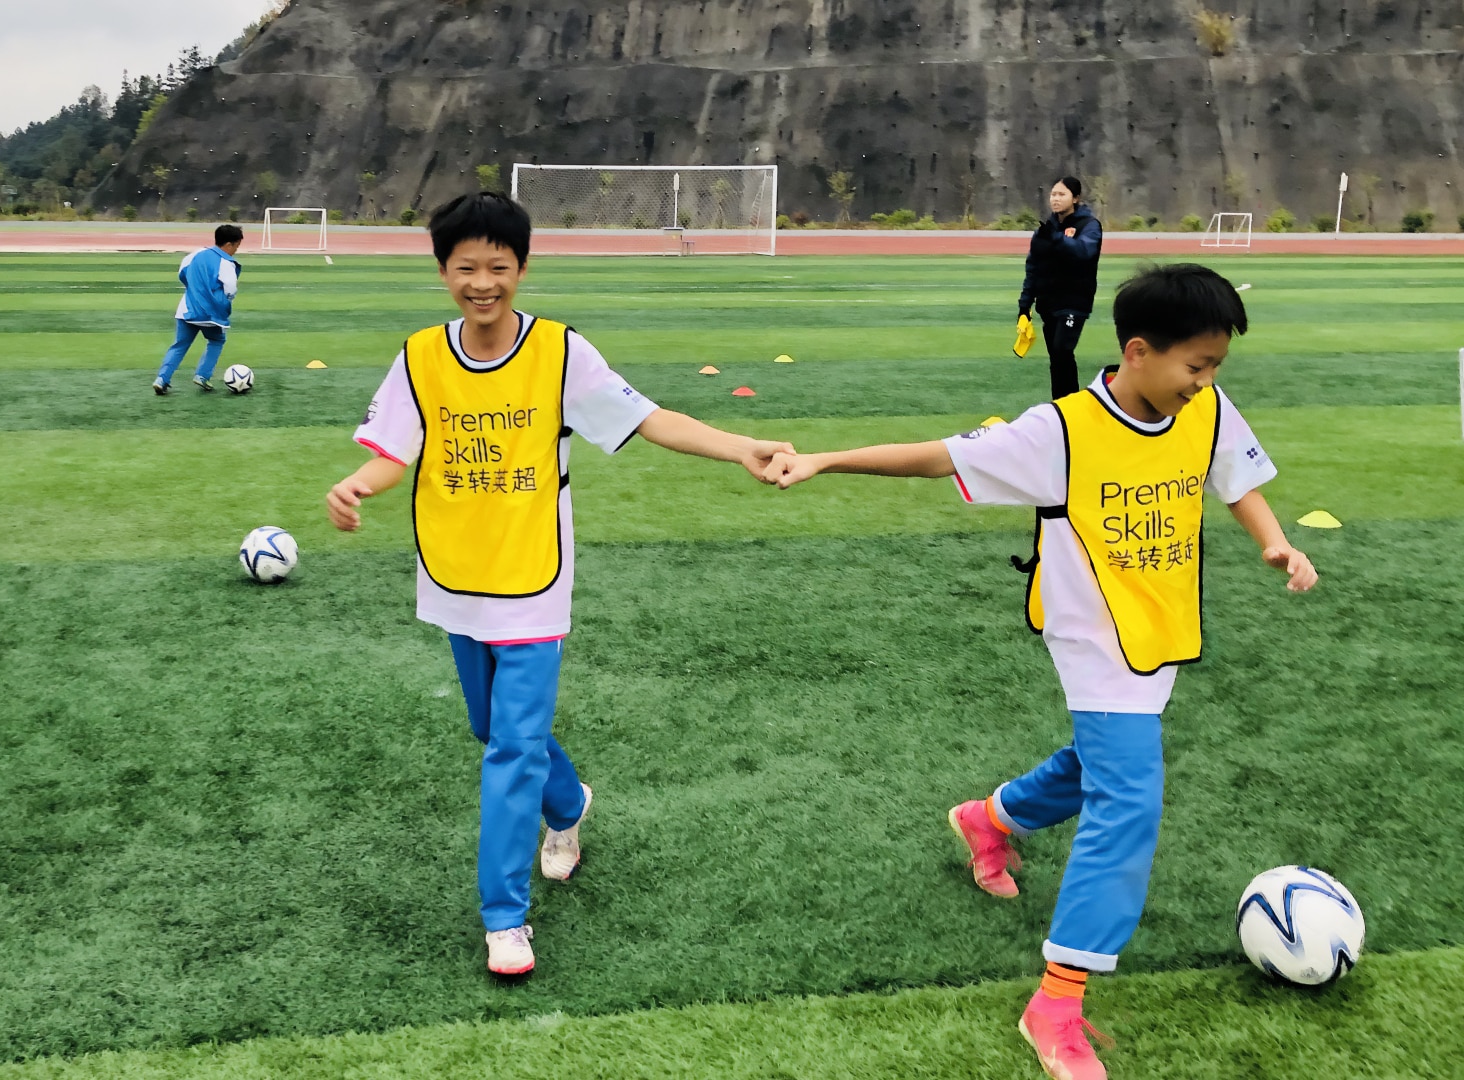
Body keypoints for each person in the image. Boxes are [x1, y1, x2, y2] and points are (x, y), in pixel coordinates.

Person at [771, 264, 1316, 1080]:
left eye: (1214, 370)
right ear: (1138, 351)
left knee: (1101, 763)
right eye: (1196, 367)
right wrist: (823, 460)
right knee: (1129, 797)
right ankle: (1056, 1003)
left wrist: (1275, 540)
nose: (1205, 384)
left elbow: (1234, 474)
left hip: (1158, 622)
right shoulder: (1059, 432)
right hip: (1091, 633)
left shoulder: (1202, 406)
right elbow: (937, 456)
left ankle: (991, 819)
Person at [325, 192, 789, 978]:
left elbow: (649, 419)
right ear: (443, 271)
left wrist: (739, 444)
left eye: (498, 268)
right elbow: (393, 450)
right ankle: (570, 804)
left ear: (522, 268)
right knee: (492, 729)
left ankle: (504, 918)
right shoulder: (419, 357)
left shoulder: (561, 354)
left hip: (534, 578)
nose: (482, 283)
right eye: (466, 268)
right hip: (455, 575)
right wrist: (358, 486)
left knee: (510, 749)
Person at [1020, 177, 1104, 400]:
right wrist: (1024, 304)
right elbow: (1033, 266)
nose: (1055, 199)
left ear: (1075, 199)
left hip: (1074, 303)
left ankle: (1070, 403)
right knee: (1056, 357)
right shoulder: (1046, 229)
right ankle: (1061, 404)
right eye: (1053, 194)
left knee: (1062, 350)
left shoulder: (1089, 226)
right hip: (1049, 303)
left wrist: (1056, 239)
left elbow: (1084, 252)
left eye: (1061, 194)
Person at [154, 224, 242, 394]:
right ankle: (202, 375)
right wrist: (225, 301)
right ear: (229, 244)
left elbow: (182, 273)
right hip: (211, 313)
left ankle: (162, 378)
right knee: (216, 341)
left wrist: (194, 289)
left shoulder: (196, 253)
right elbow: (231, 287)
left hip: (186, 309)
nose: (236, 250)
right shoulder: (226, 262)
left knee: (179, 344)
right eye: (237, 246)